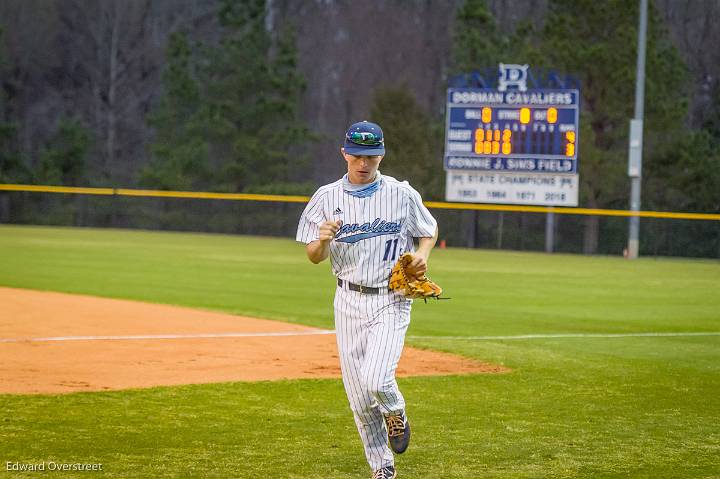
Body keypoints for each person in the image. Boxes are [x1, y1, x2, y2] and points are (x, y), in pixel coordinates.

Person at [296, 121, 438, 479]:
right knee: (359, 398)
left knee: (376, 379)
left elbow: (429, 229)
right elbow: (313, 255)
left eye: (371, 157)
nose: (364, 163)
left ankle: (396, 412)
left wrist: (423, 254)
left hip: (391, 297)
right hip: (347, 301)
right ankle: (382, 467)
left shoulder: (400, 193)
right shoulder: (326, 198)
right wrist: (323, 240)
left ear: (382, 155)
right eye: (357, 156)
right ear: (344, 153)